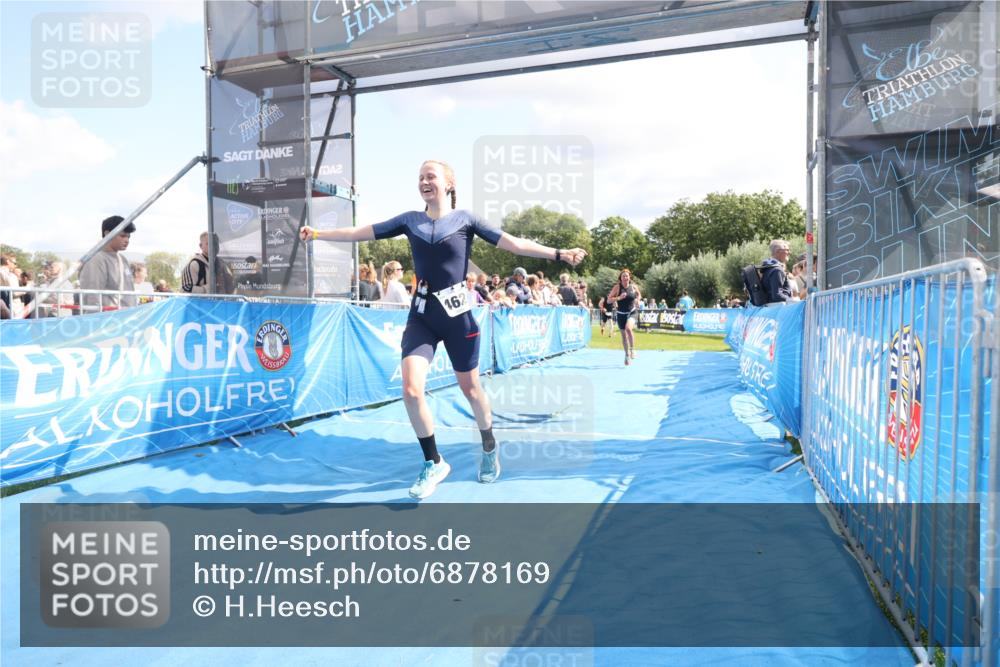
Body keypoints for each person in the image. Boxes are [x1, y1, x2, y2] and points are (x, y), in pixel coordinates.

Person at [300, 159, 586, 499]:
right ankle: (433, 461)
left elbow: (515, 244)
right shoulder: (410, 221)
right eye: (420, 176)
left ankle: (490, 445)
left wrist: (559, 254)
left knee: (472, 390)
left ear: (448, 184)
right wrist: (318, 233)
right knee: (410, 390)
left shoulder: (466, 220)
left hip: (458, 320)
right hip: (422, 317)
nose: (424, 181)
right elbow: (361, 232)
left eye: (430, 176)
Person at [79, 215, 137, 311]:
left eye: (128, 237)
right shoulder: (96, 260)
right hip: (108, 320)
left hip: (126, 317)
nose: (126, 240)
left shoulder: (123, 259)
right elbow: (92, 296)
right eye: (122, 236)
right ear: (107, 234)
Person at [607, 268, 642, 365]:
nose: (625, 277)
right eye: (623, 276)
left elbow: (639, 295)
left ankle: (632, 349)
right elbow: (609, 300)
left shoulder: (633, 287)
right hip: (621, 313)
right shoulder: (617, 287)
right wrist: (618, 297)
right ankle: (626, 355)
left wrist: (638, 300)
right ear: (620, 278)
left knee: (628, 329)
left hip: (632, 311)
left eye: (627, 276)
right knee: (623, 336)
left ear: (629, 277)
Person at [761, 239, 794, 304]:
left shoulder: (768, 267)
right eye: (787, 250)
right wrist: (792, 301)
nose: (789, 252)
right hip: (777, 308)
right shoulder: (777, 270)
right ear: (778, 251)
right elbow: (777, 296)